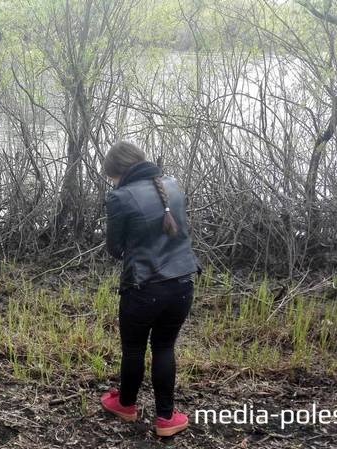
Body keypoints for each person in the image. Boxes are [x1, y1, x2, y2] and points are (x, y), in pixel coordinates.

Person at [99, 141, 200, 437]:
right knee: (164, 347)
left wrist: (134, 246)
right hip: (183, 283)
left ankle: (126, 405)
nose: (112, 183)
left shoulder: (119, 197)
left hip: (143, 287)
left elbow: (115, 249)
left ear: (119, 172)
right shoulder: (173, 186)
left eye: (111, 177)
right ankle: (167, 418)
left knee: (133, 349)